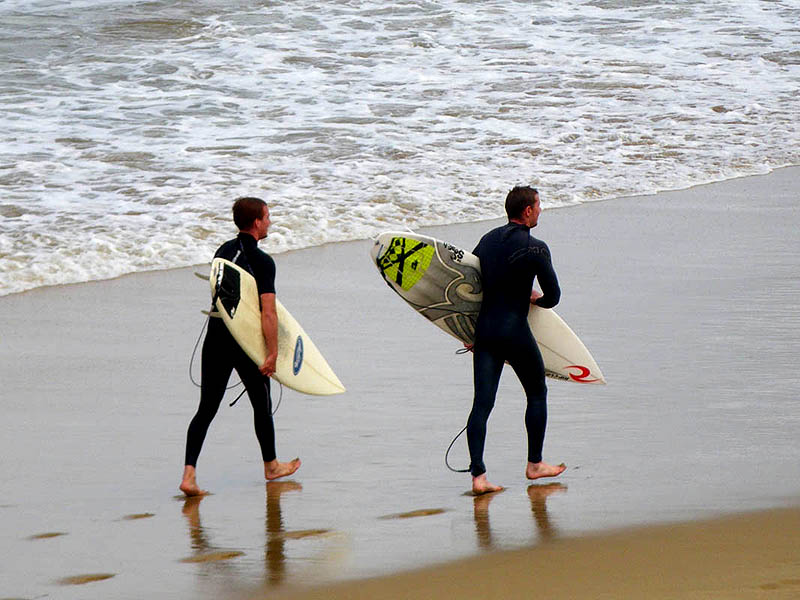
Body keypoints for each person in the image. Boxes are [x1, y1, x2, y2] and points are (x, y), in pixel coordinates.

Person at [180, 197, 300, 497]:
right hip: (243, 341)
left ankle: (189, 475)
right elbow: (268, 312)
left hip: (217, 335)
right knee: (262, 403)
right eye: (267, 217)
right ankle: (271, 465)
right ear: (257, 222)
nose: (270, 221)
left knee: (206, 408)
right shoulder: (263, 262)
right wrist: (272, 353)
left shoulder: (223, 251)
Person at [467, 185, 565, 495]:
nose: (540, 211)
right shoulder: (536, 248)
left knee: (482, 404)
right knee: (536, 393)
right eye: (538, 206)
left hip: (484, 332)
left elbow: (471, 285)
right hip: (514, 331)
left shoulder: (486, 241)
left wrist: (466, 331)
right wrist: (534, 299)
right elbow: (554, 297)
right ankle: (535, 464)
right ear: (527, 211)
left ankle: (479, 477)